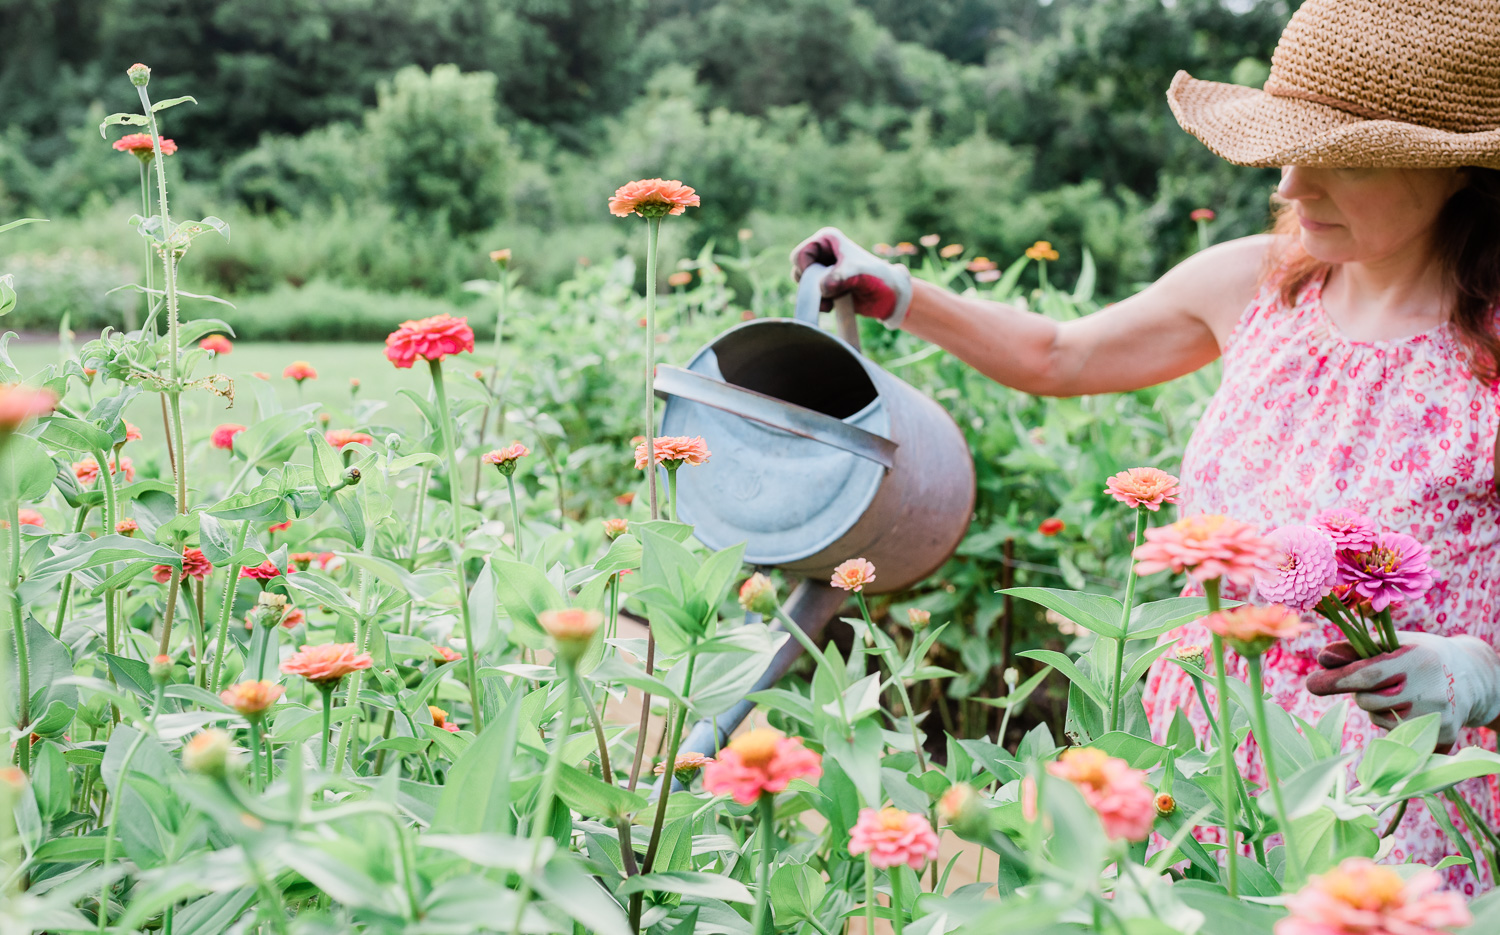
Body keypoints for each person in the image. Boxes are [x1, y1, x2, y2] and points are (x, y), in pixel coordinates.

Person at [790, 0, 1500, 892]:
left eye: (1338, 158)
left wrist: (1478, 675)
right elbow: (1062, 352)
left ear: (1461, 171)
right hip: (1200, 763)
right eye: (1284, 146)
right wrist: (898, 291)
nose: (1288, 186)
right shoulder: (1259, 282)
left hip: (1397, 799)